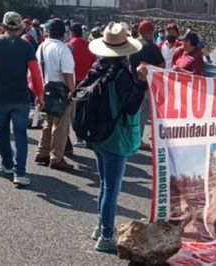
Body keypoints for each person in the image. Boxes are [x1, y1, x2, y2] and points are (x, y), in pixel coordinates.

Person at [83, 21, 147, 252]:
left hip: (98, 135)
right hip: (116, 136)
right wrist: (140, 83)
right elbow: (130, 107)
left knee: (104, 185)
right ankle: (107, 235)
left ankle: (101, 227)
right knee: (111, 188)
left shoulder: (97, 69)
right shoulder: (121, 75)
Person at [0, 12, 44, 186]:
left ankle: (7, 164)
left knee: (3, 131)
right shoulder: (26, 46)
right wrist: (39, 94)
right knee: (21, 134)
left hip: (0, 96)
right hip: (20, 97)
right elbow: (35, 73)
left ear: (4, 27)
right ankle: (19, 172)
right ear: (20, 28)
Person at [34, 19, 76, 171]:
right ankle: (56, 157)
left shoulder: (42, 47)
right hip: (60, 91)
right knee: (60, 126)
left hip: (45, 88)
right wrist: (73, 91)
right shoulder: (62, 49)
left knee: (48, 121)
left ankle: (42, 152)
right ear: (63, 33)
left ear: (48, 32)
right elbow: (67, 75)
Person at [128, 20, 165, 151]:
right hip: (147, 85)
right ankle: (137, 140)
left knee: (133, 113)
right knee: (142, 115)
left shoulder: (132, 45)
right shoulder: (151, 47)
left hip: (132, 83)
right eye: (151, 32)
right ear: (148, 32)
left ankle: (131, 138)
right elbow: (162, 65)